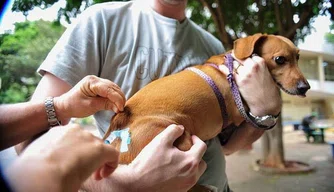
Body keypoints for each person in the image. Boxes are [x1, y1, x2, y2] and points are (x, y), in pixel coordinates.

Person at [16, 0, 281, 191]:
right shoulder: (101, 21)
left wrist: (267, 114)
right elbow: (30, 138)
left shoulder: (211, 47)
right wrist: (119, 185)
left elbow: (227, 146)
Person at [0, 77, 206, 191]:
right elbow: (28, 142)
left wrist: (62, 106)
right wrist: (126, 185)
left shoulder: (211, 45)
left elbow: (228, 145)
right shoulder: (96, 21)